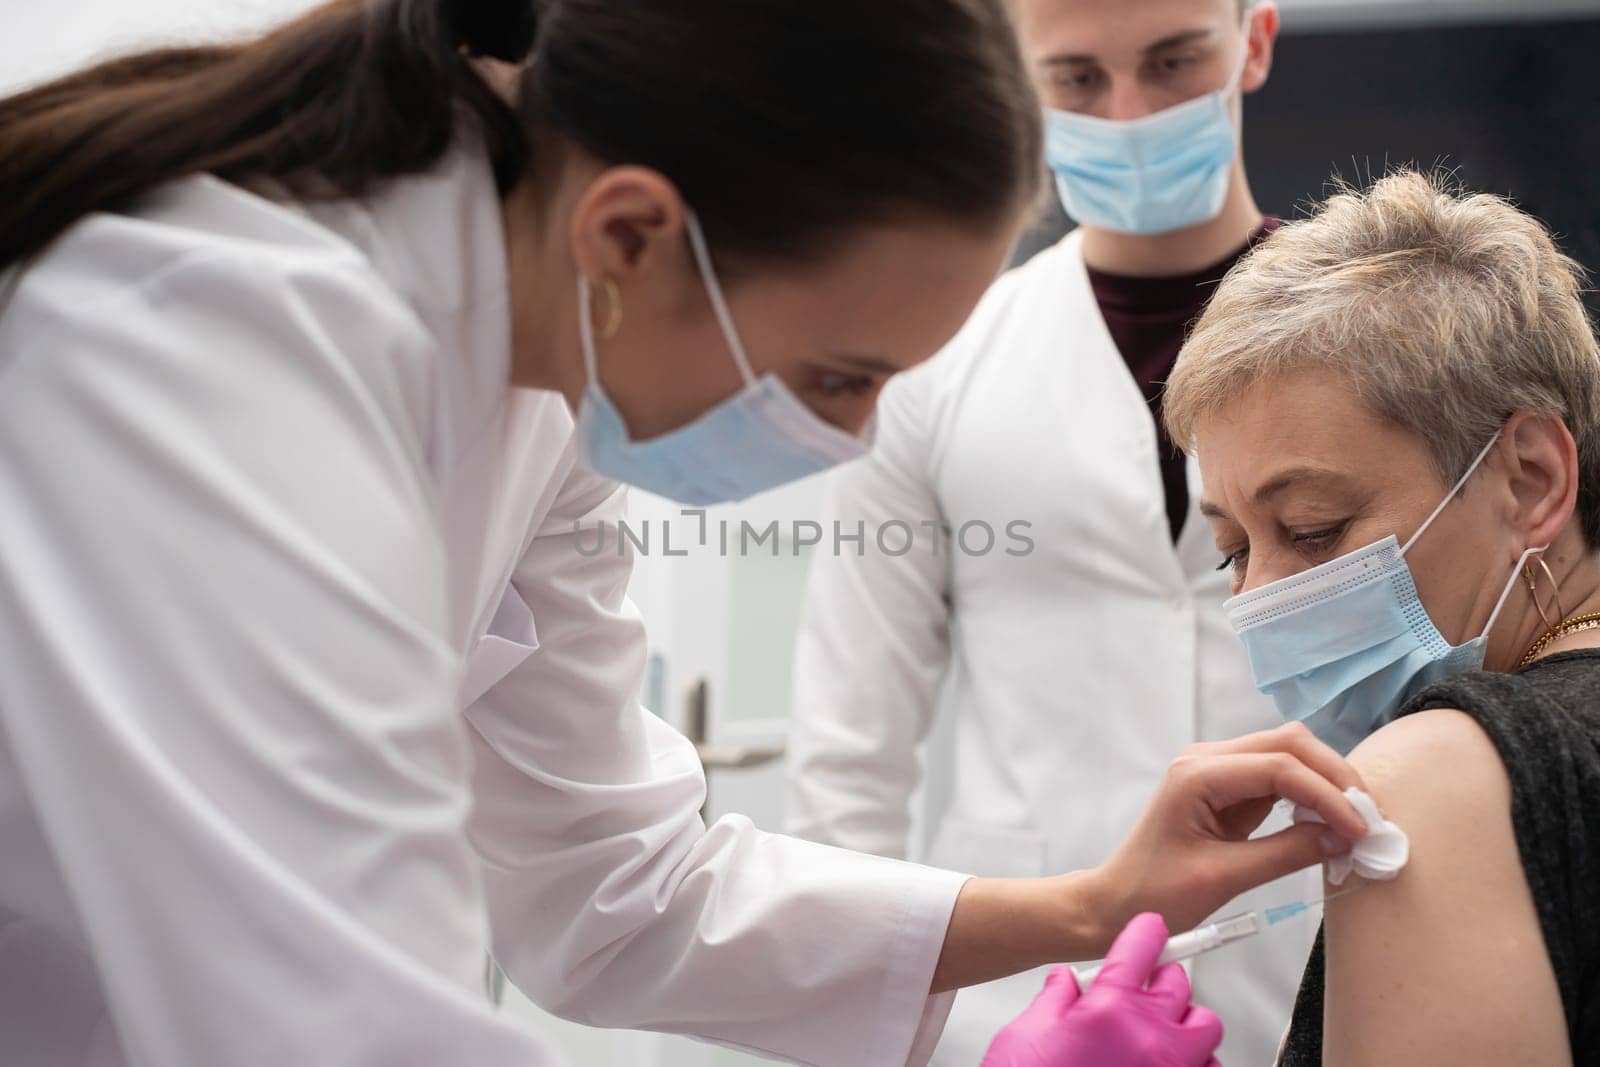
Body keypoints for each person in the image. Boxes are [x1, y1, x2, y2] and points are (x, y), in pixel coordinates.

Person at [0, 2, 1370, 1065]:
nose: (849, 441)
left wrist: (1085, 904)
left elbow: (619, 886)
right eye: (842, 376)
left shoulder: (547, 383)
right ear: (636, 236)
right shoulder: (203, 344)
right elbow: (345, 1016)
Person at [783, 1, 1310, 1061]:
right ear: (1016, 86)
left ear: (1250, 41)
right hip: (1020, 994)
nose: (1128, 113)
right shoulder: (932, 362)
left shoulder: (1374, 344)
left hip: (1315, 962)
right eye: (1074, 78)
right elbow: (847, 755)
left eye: (1171, 61)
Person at [1164, 169, 1600, 1064]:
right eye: (1234, 551)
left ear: (1531, 479)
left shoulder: (1436, 775)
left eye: (1313, 531)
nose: (1259, 602)